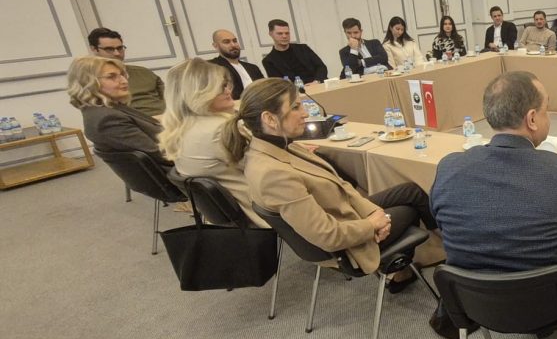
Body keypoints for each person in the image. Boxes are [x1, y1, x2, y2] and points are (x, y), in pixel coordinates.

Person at [429, 71, 557, 339]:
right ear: (532, 119)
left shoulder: (449, 167)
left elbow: (443, 226)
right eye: (547, 110)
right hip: (555, 306)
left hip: (475, 305)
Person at [226, 78, 435, 289]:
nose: (305, 113)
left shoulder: (278, 147)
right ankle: (410, 269)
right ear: (270, 119)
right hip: (346, 244)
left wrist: (373, 212)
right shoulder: (272, 173)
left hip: (343, 211)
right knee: (410, 210)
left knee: (411, 192)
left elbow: (341, 186)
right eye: (296, 107)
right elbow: (327, 235)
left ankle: (435, 252)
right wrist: (371, 225)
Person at [158, 58, 267, 227]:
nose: (228, 90)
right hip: (263, 212)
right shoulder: (222, 129)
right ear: (200, 93)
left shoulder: (180, 130)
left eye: (226, 84)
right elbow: (270, 170)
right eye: (221, 86)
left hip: (230, 219)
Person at [67, 55, 168, 163]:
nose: (124, 81)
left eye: (122, 75)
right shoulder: (108, 119)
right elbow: (160, 155)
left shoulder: (104, 109)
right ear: (88, 82)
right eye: (111, 77)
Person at [87, 27, 164, 116]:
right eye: (109, 49)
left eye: (120, 48)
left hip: (167, 118)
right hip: (133, 121)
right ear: (94, 49)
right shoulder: (93, 79)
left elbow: (169, 97)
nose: (117, 53)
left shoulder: (144, 72)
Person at [261, 19, 328, 83]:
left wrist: (316, 81)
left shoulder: (303, 48)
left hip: (316, 84)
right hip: (293, 89)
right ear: (271, 34)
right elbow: (278, 83)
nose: (284, 36)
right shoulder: (269, 61)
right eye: (280, 33)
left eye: (287, 33)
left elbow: (321, 67)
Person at [210, 29, 264, 98]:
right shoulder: (214, 67)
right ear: (215, 46)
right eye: (226, 42)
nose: (233, 45)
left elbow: (265, 89)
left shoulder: (253, 68)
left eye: (235, 41)